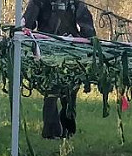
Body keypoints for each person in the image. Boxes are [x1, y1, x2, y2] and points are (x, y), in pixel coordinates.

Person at [22, 0, 95, 139]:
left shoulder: (74, 3)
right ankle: (52, 131)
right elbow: (28, 23)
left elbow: (87, 26)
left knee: (70, 90)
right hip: (49, 50)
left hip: (71, 50)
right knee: (53, 91)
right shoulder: (40, 2)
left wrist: (89, 42)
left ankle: (66, 129)